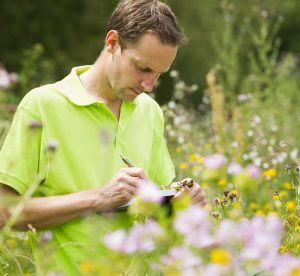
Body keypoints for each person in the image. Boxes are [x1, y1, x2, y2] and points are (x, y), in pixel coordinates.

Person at [0, 0, 206, 274]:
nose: (149, 85)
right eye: (143, 68)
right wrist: (98, 198)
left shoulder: (151, 111)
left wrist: (179, 204)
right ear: (112, 42)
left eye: (159, 74)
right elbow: (5, 213)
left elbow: (152, 208)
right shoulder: (42, 106)